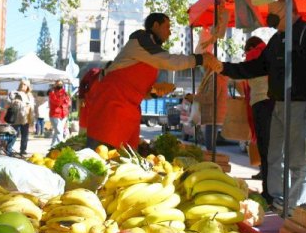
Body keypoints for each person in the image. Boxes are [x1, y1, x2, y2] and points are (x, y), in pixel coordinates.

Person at [211, 0, 306, 211]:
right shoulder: (276, 39)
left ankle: (295, 205)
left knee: (297, 161)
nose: (269, 14)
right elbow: (257, 67)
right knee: (274, 156)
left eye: (273, 9)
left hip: (301, 106)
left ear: (286, 9)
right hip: (277, 104)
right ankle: (277, 200)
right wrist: (224, 68)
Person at [85, 12, 219, 149]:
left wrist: (155, 92)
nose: (170, 33)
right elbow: (170, 61)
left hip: (130, 113)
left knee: (123, 162)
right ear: (155, 25)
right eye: (167, 27)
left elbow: (142, 93)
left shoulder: (152, 52)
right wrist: (200, 59)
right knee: (102, 158)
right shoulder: (141, 39)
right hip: (111, 109)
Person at [242, 36, 276, 202]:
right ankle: (275, 190)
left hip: (261, 103)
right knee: (275, 150)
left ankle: (269, 193)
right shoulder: (271, 51)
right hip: (275, 103)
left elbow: (245, 77)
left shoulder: (254, 55)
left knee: (266, 149)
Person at [194, 69, 228, 151]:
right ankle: (213, 162)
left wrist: (195, 97)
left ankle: (213, 163)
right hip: (211, 115)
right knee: (210, 146)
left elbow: (210, 97)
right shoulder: (210, 77)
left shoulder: (215, 78)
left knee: (210, 146)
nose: (202, 68)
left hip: (213, 115)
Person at [6, 79, 34, 156]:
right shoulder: (14, 93)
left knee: (25, 135)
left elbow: (32, 109)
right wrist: (14, 102)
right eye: (22, 84)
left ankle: (23, 150)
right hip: (16, 118)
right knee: (13, 134)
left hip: (26, 118)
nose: (23, 86)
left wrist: (32, 120)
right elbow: (8, 103)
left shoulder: (30, 96)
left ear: (28, 86)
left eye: (25, 84)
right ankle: (8, 149)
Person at [49, 80, 71, 147]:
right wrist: (63, 101)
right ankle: (60, 146)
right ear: (55, 84)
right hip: (55, 114)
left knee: (57, 131)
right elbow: (56, 102)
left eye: (61, 83)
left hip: (64, 114)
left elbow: (68, 103)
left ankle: (53, 146)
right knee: (59, 131)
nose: (59, 85)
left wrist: (65, 103)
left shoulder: (65, 93)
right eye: (58, 83)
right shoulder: (52, 93)